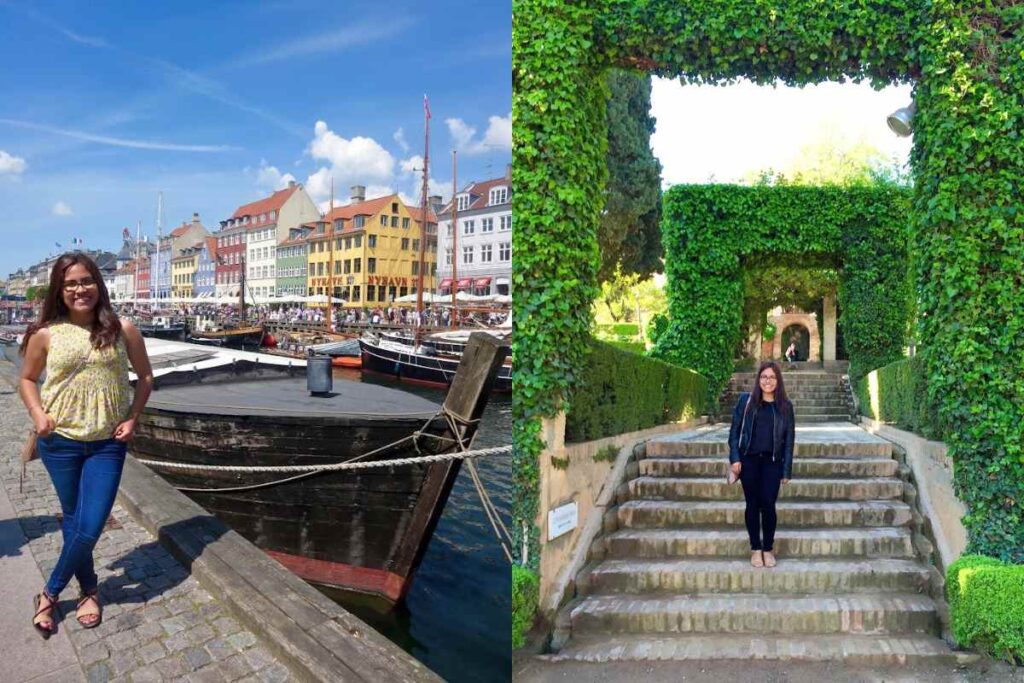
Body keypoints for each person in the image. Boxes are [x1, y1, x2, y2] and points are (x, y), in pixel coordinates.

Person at [18, 253, 154, 637]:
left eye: (86, 280)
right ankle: (90, 589)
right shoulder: (46, 334)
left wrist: (132, 418)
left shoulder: (124, 329)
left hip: (106, 445)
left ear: (99, 284)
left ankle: (49, 592)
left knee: (90, 525)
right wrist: (38, 414)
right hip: (59, 443)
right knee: (76, 522)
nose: (80, 289)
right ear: (59, 292)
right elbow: (27, 379)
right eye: (70, 283)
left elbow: (145, 378)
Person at [727, 361, 795, 569]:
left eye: (772, 377)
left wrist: (786, 470)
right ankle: (755, 549)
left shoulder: (785, 406)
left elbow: (789, 441)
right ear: (758, 379)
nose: (768, 381)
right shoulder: (746, 401)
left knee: (768, 504)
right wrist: (735, 458)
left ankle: (768, 548)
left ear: (778, 381)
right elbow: (734, 433)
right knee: (752, 504)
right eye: (764, 377)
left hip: (772, 463)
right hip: (749, 461)